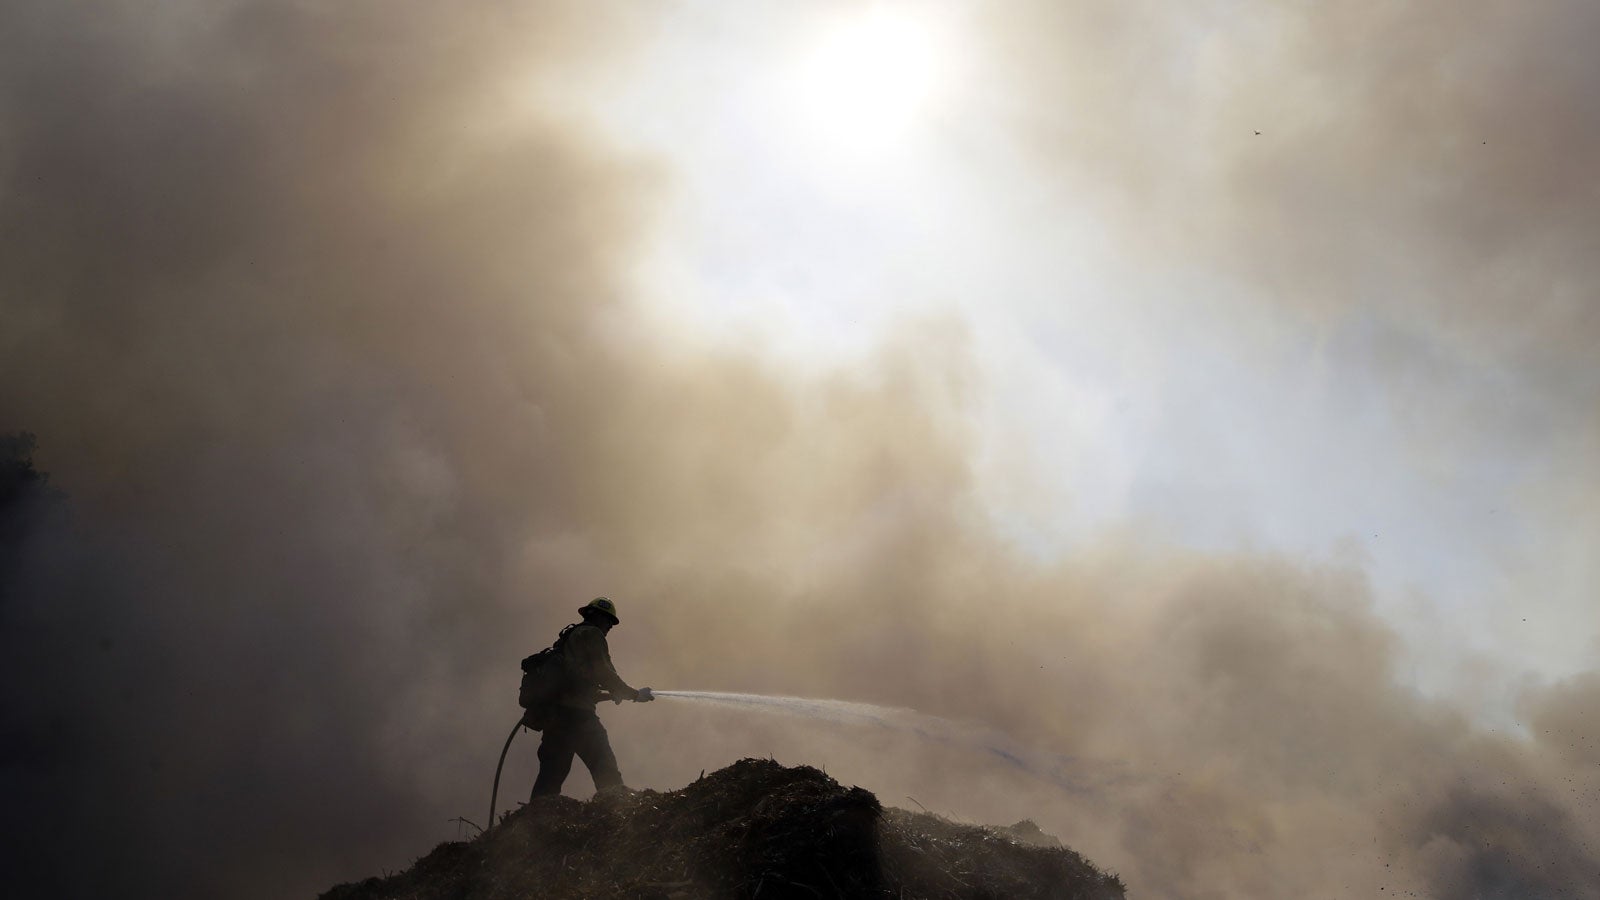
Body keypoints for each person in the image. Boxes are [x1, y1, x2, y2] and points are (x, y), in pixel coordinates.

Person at [529, 596, 653, 798]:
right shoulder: (592, 634)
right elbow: (602, 672)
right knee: (604, 767)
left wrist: (609, 694)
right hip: (578, 718)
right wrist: (634, 694)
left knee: (550, 778)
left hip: (555, 719)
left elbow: (578, 683)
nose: (609, 628)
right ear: (599, 618)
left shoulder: (570, 638)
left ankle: (533, 822)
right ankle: (616, 811)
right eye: (609, 623)